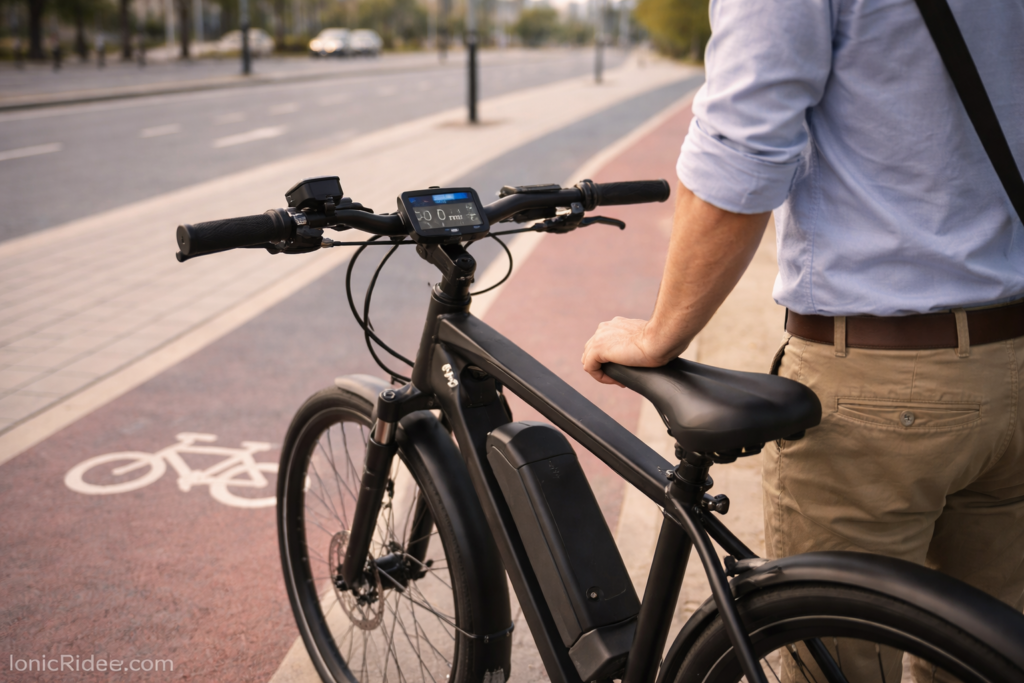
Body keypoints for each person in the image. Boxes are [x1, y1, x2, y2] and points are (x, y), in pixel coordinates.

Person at [582, 0, 1023, 674]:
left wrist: (661, 332)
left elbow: (741, 154)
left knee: (837, 662)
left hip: (883, 385)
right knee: (984, 658)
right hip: (1013, 361)